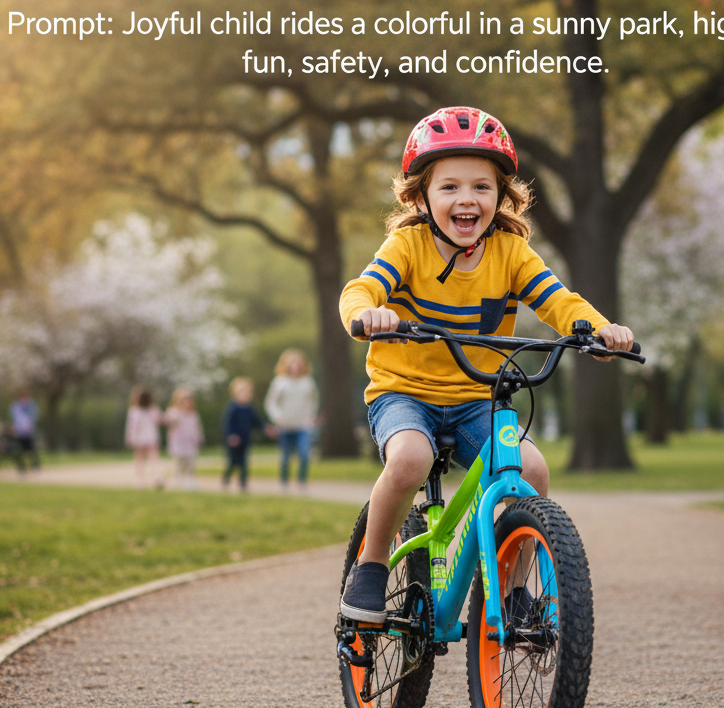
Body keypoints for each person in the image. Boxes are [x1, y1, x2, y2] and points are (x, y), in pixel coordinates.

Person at [337, 106, 634, 623]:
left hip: (478, 397)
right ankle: (372, 563)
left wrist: (598, 328)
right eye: (449, 187)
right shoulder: (406, 245)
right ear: (421, 196)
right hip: (405, 392)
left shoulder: (511, 252)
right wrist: (367, 314)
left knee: (533, 471)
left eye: (481, 186)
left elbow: (559, 301)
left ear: (502, 196)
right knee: (408, 459)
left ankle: (515, 589)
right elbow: (361, 289)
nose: (466, 199)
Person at [264, 349, 319, 489]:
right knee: (286, 456)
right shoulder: (279, 381)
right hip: (285, 425)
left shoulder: (308, 382)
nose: (295, 367)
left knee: (304, 453)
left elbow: (313, 401)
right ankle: (284, 482)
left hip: (303, 425)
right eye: (292, 363)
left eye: (297, 363)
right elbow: (270, 403)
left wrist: (311, 417)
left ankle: (302, 481)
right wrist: (277, 417)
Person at [221, 377, 265, 492]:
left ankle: (243, 484)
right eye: (242, 391)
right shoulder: (232, 408)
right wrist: (231, 436)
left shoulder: (250, 408)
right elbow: (227, 424)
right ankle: (226, 479)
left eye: (247, 391)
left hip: (245, 440)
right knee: (232, 462)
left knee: (244, 463)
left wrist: (266, 427)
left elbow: (257, 421)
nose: (245, 394)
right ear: (236, 393)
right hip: (234, 442)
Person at [163, 388, 204, 490]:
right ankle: (178, 479)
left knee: (191, 463)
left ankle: (191, 480)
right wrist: (177, 414)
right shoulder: (174, 412)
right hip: (178, 442)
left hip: (190, 442)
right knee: (179, 462)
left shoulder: (194, 415)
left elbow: (197, 427)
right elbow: (168, 422)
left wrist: (199, 437)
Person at [125, 385, 163, 488]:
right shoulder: (134, 411)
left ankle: (156, 478)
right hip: (142, 439)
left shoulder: (152, 410)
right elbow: (132, 428)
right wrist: (131, 439)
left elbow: (160, 420)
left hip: (150, 439)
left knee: (152, 460)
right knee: (142, 460)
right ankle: (141, 480)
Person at [8, 388, 40, 471]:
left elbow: (34, 417)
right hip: (20, 431)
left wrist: (29, 426)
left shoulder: (32, 406)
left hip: (29, 431)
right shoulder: (16, 406)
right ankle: (22, 466)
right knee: (21, 449)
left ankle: (33, 464)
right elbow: (15, 418)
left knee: (30, 449)